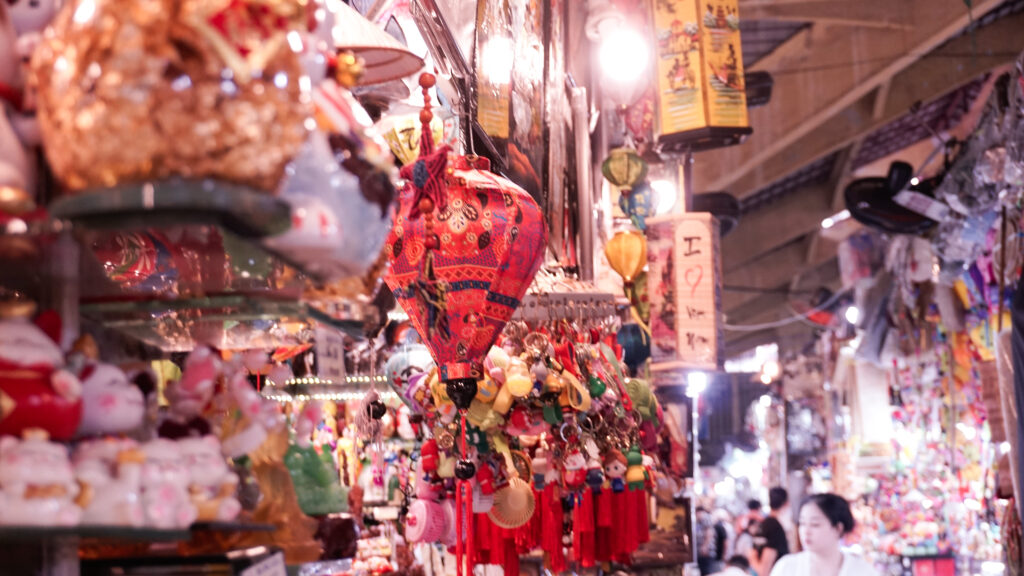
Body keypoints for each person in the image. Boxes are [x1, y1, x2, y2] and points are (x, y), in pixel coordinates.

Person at [769, 493, 879, 576]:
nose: (806, 531)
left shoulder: (862, 571)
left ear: (838, 529)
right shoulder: (787, 567)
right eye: (802, 523)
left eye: (815, 524)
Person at [750, 488, 789, 576]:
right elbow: (764, 571)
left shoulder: (763, 524)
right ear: (786, 504)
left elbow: (752, 555)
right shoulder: (775, 527)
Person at [696, 506, 720, 575]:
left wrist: (705, 546)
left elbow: (709, 532)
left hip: (707, 551)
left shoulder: (705, 517)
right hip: (702, 551)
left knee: (707, 571)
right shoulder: (700, 520)